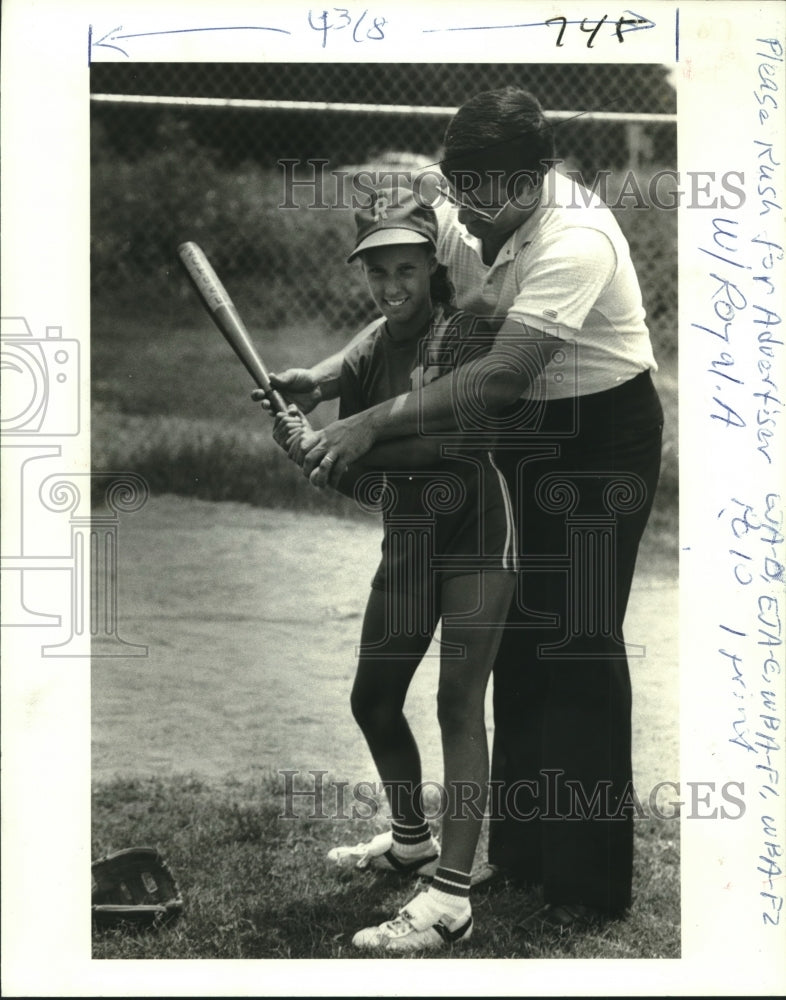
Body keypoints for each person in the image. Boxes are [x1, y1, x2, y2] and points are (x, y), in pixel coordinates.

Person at [263, 87, 665, 934]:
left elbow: (500, 376)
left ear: (534, 179)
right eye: (457, 186)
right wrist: (334, 379)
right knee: (522, 638)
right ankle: (519, 857)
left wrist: (368, 423)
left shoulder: (576, 238)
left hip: (599, 429)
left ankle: (588, 884)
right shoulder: (467, 198)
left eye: (479, 195)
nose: (465, 216)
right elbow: (404, 266)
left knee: (579, 639)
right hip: (526, 425)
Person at [268, 182, 517, 952]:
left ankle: (451, 896)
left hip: (478, 529)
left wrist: (339, 449)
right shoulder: (377, 340)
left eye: (405, 268)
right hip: (412, 540)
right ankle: (412, 841)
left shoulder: (465, 331)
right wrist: (304, 415)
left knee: (455, 703)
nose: (391, 287)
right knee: (372, 699)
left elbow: (451, 447)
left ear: (433, 265)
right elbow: (337, 388)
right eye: (376, 271)